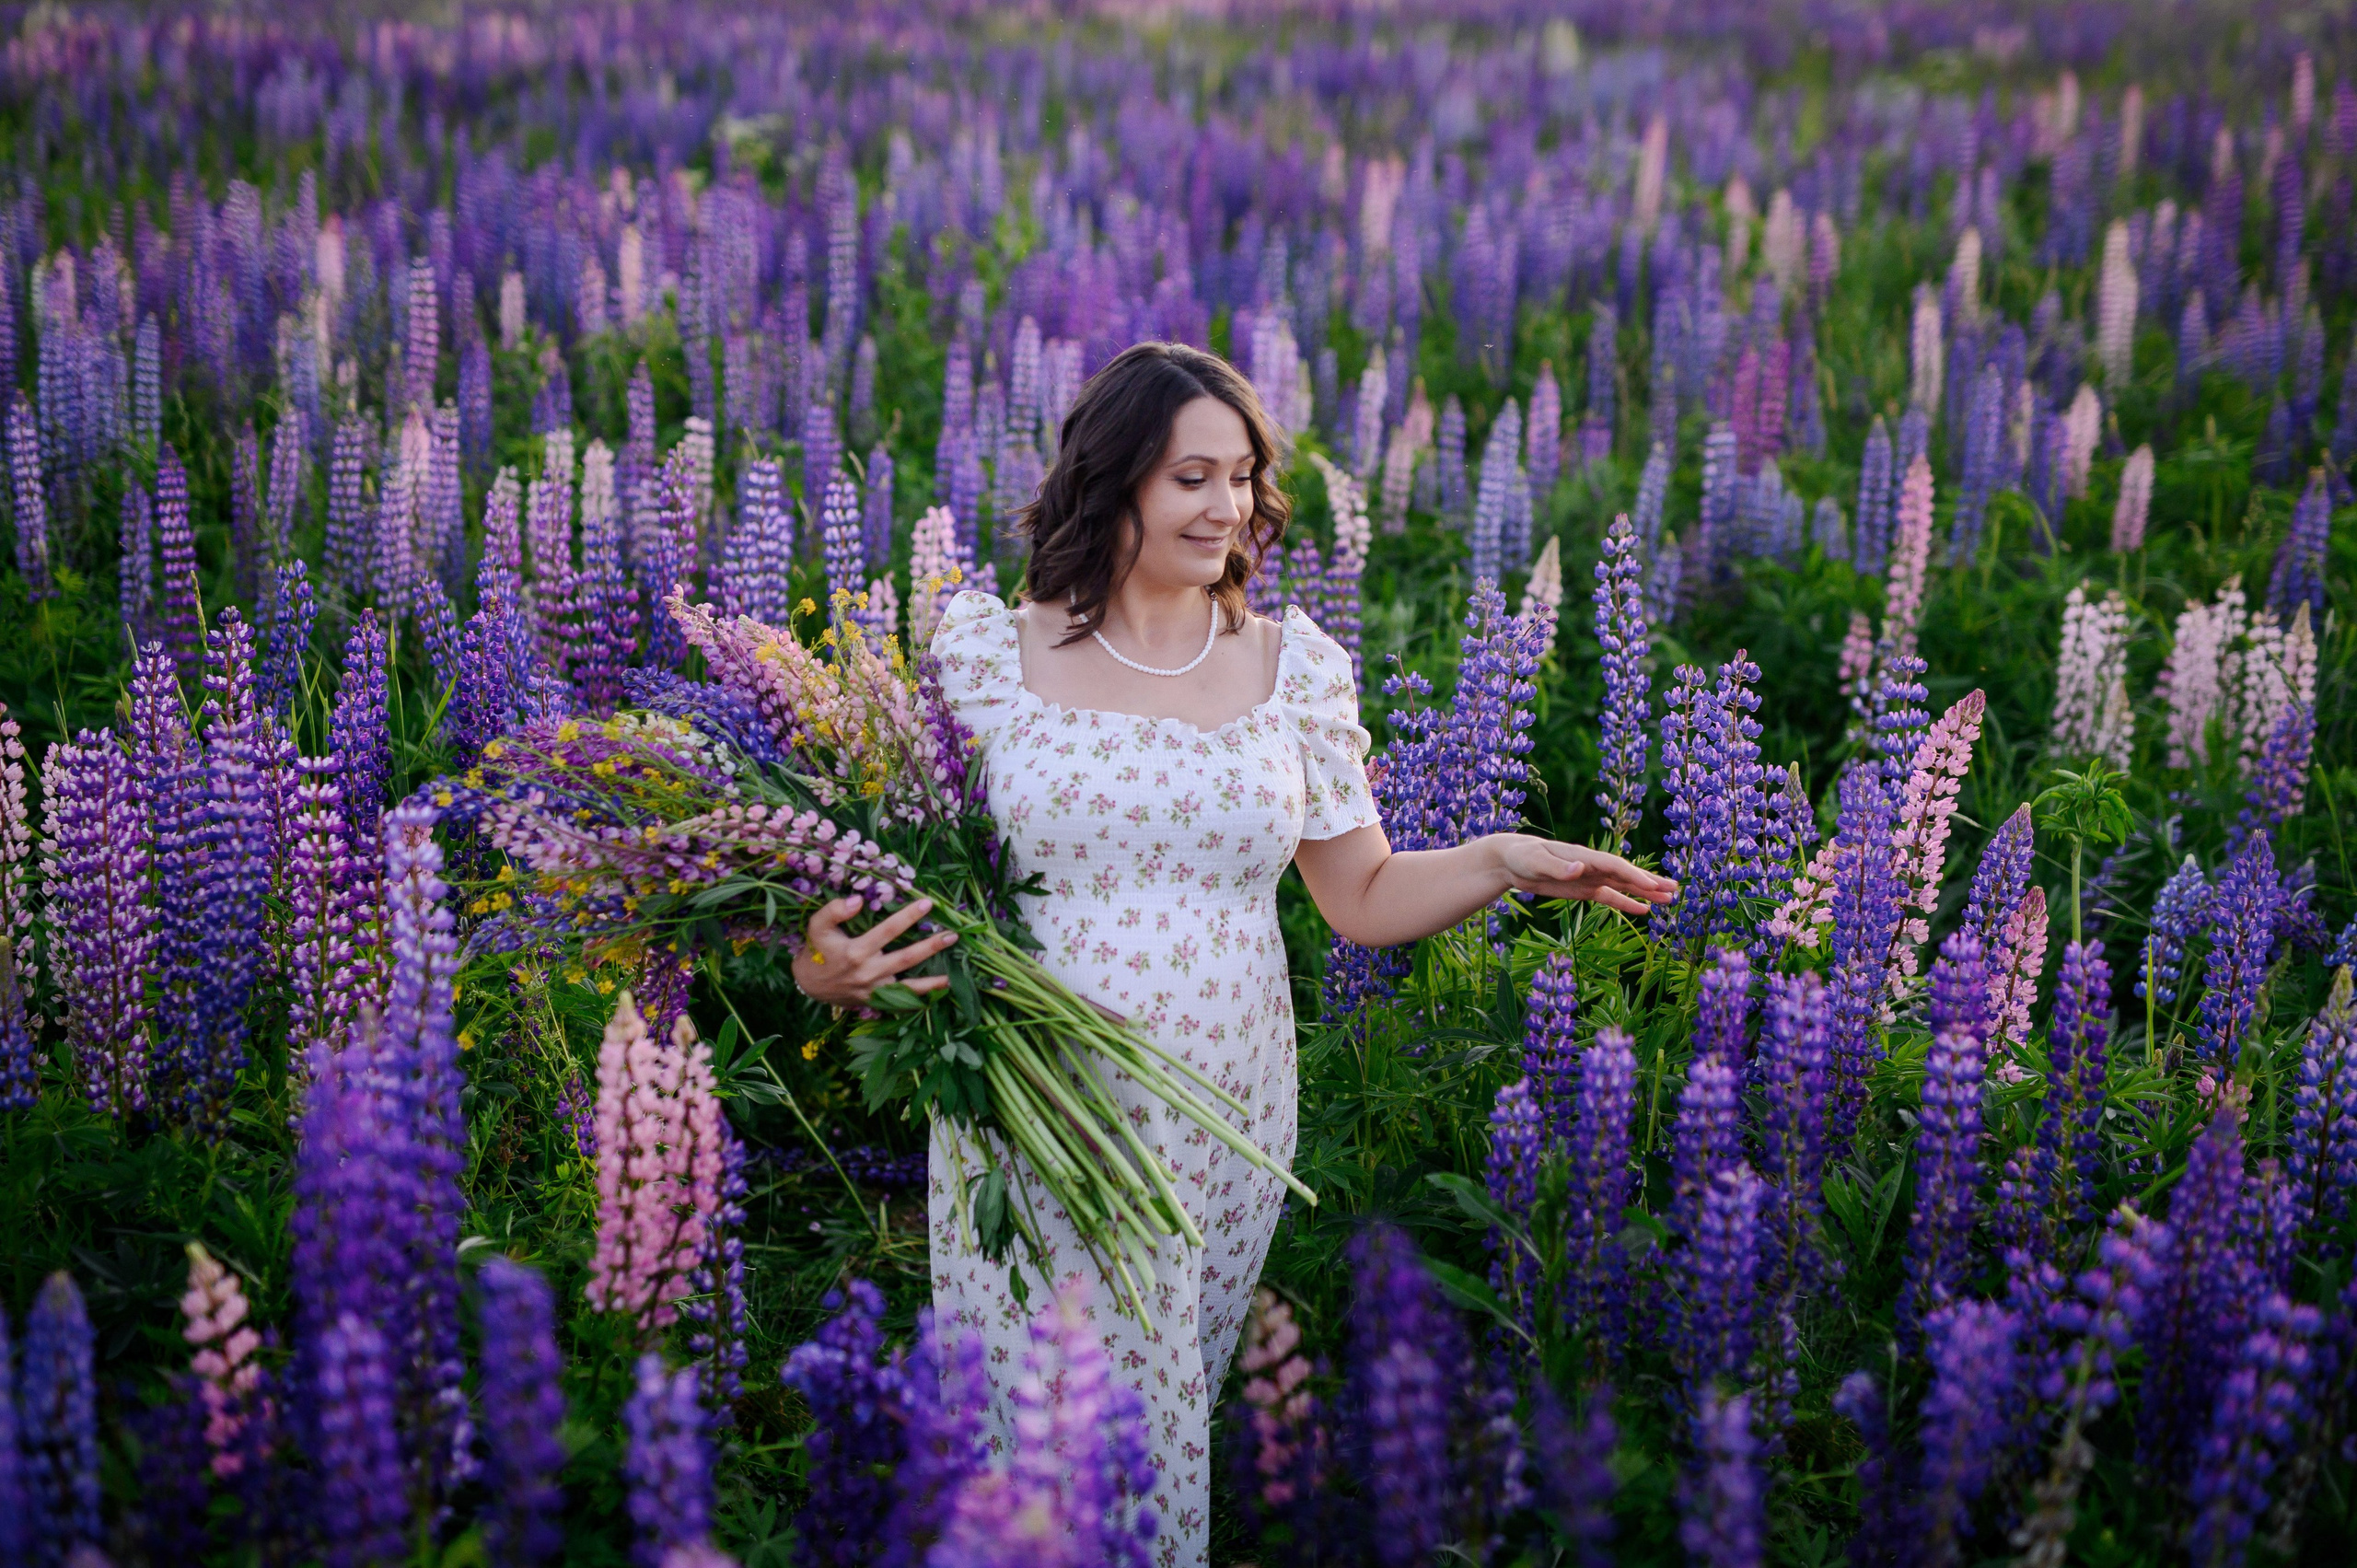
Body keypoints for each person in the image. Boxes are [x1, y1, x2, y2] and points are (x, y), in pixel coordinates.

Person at [792, 341, 1674, 1565]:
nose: (1229, 505)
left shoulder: (1289, 668)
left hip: (1219, 1122)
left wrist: (1502, 859)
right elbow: (886, 884)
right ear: (1115, 482)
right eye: (1191, 477)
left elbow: (1358, 893)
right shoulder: (987, 655)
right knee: (1048, 1441)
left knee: (1154, 1434)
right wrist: (824, 968)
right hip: (1033, 1107)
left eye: (1245, 476)